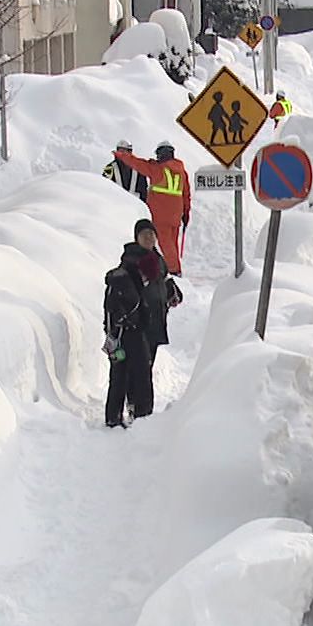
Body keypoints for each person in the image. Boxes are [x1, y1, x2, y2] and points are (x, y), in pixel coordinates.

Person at [104, 220, 167, 427]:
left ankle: (132, 410)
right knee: (135, 369)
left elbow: (159, 285)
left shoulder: (157, 260)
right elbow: (133, 292)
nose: (149, 238)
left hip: (154, 323)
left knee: (142, 367)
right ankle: (138, 412)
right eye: (144, 234)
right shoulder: (133, 261)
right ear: (136, 238)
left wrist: (169, 294)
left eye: (152, 234)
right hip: (135, 325)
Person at [146, 141, 191, 276]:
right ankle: (175, 268)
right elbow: (186, 194)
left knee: (166, 244)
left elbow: (138, 164)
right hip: (176, 214)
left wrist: (122, 155)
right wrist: (186, 213)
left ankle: (174, 270)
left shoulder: (158, 170)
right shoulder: (181, 171)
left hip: (161, 214)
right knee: (172, 244)